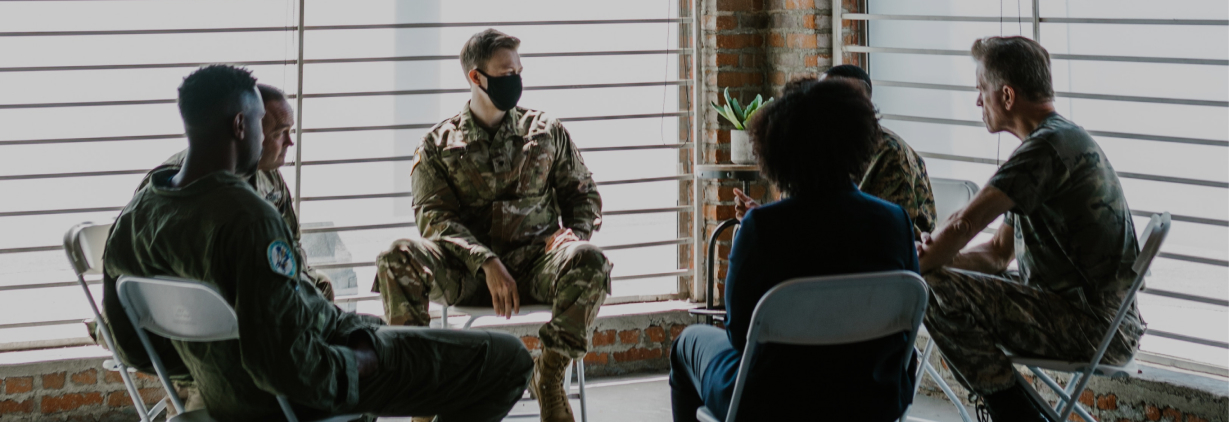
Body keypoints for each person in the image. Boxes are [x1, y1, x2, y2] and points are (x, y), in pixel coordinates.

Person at [101, 64, 532, 422]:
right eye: (260, 124)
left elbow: (133, 347)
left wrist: (213, 359)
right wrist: (360, 360)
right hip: (297, 394)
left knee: (378, 328)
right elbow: (288, 367)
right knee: (507, 359)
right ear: (239, 125)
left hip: (231, 389)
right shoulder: (247, 219)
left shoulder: (137, 217)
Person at [372, 29, 609, 422]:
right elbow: (434, 218)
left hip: (537, 264)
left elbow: (583, 194)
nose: (515, 79)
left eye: (519, 70)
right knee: (396, 255)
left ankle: (548, 376)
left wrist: (575, 234)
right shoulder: (437, 144)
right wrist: (484, 260)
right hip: (467, 272)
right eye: (505, 72)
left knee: (590, 259)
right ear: (476, 78)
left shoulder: (546, 131)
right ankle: (422, 396)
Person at [915, 36, 1142, 422]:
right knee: (936, 278)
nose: (976, 102)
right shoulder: (1055, 139)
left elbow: (965, 223)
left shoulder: (1046, 148)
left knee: (930, 288)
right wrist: (939, 261)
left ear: (1006, 95)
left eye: (980, 90)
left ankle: (1015, 414)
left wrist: (913, 263)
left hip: (1092, 326)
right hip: (1096, 317)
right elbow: (997, 253)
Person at [670, 78, 920, 422]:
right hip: (872, 398)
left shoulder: (761, 229)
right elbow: (904, 328)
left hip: (771, 402)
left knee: (687, 343)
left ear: (776, 149)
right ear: (859, 142)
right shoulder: (895, 223)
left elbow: (740, 336)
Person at [135, 83, 335, 302]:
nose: (290, 141)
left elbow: (291, 240)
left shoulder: (269, 176)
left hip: (254, 283)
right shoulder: (178, 182)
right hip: (197, 299)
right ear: (245, 129)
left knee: (319, 285)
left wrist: (297, 279)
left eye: (290, 131)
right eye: (279, 133)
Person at [733, 64, 937, 239]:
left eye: (836, 101)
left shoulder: (891, 155)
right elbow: (814, 216)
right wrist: (769, 218)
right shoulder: (817, 148)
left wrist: (771, 226)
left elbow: (880, 233)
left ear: (861, 107)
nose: (823, 106)